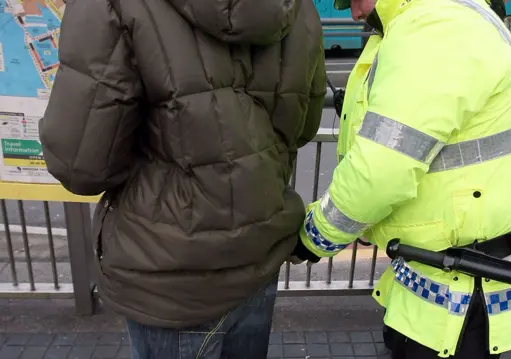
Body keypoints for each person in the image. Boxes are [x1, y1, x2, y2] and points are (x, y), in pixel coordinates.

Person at [38, 0, 325, 357]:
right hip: (258, 254)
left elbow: (81, 164)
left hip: (168, 272)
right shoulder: (300, 8)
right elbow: (303, 126)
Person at [293, 0, 511, 357]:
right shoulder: (450, 15)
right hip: (461, 272)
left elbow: (382, 170)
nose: (351, 13)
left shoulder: (433, 29)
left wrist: (313, 237)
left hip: (459, 293)